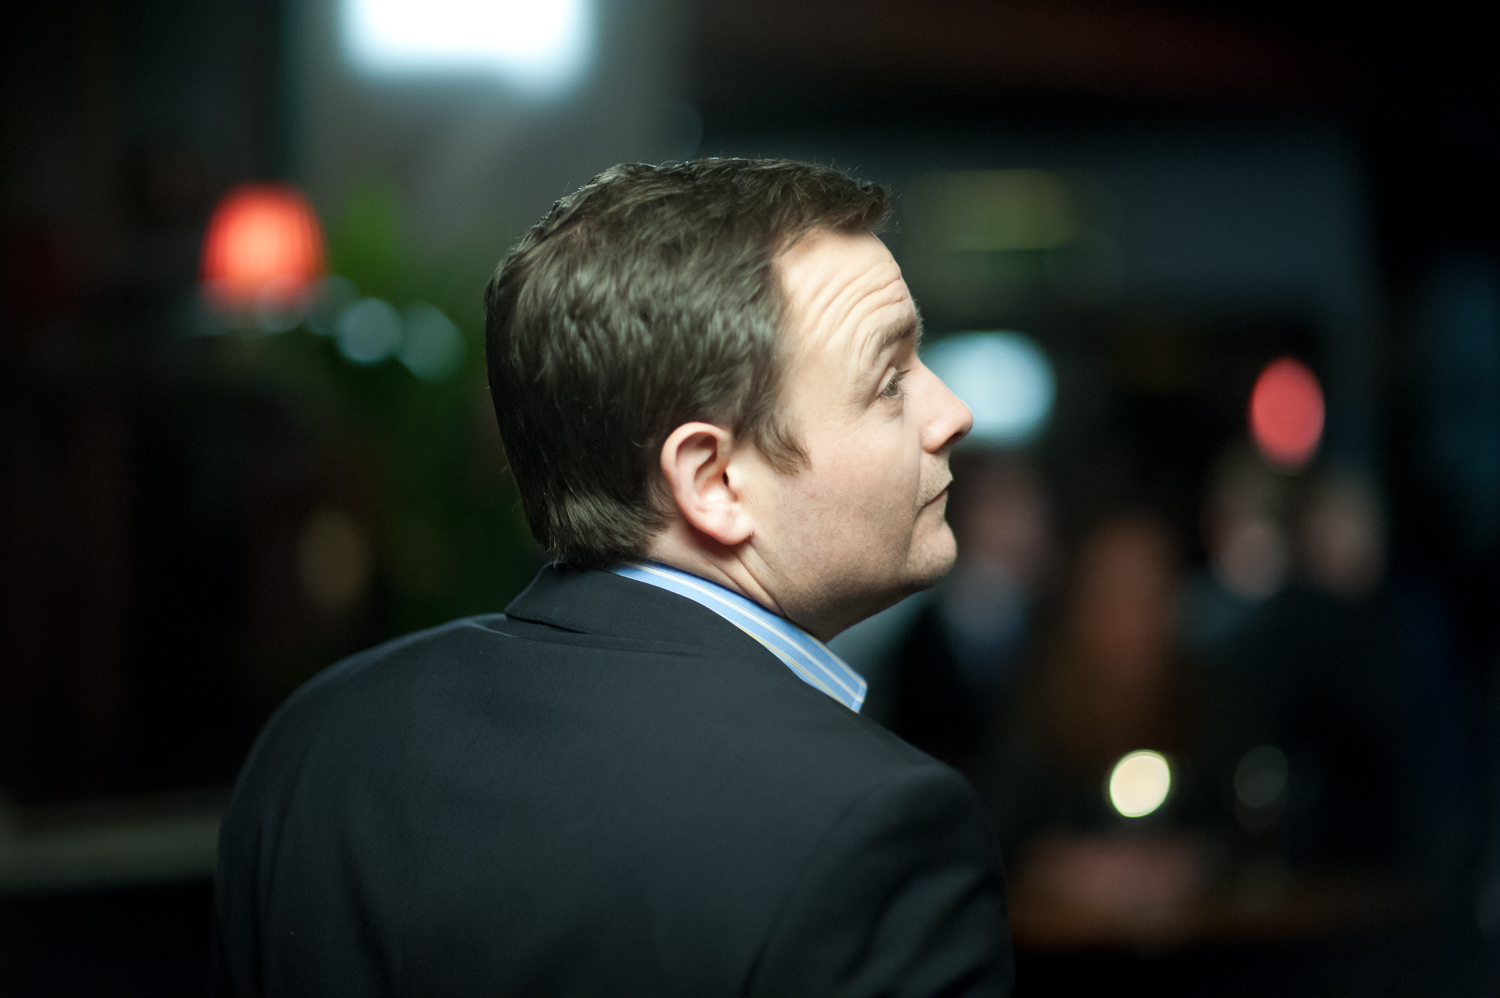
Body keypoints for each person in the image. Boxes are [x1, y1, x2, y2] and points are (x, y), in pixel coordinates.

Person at [211, 159, 1011, 996]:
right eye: (890, 381)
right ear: (713, 480)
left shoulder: (318, 737)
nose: (952, 413)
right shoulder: (874, 827)